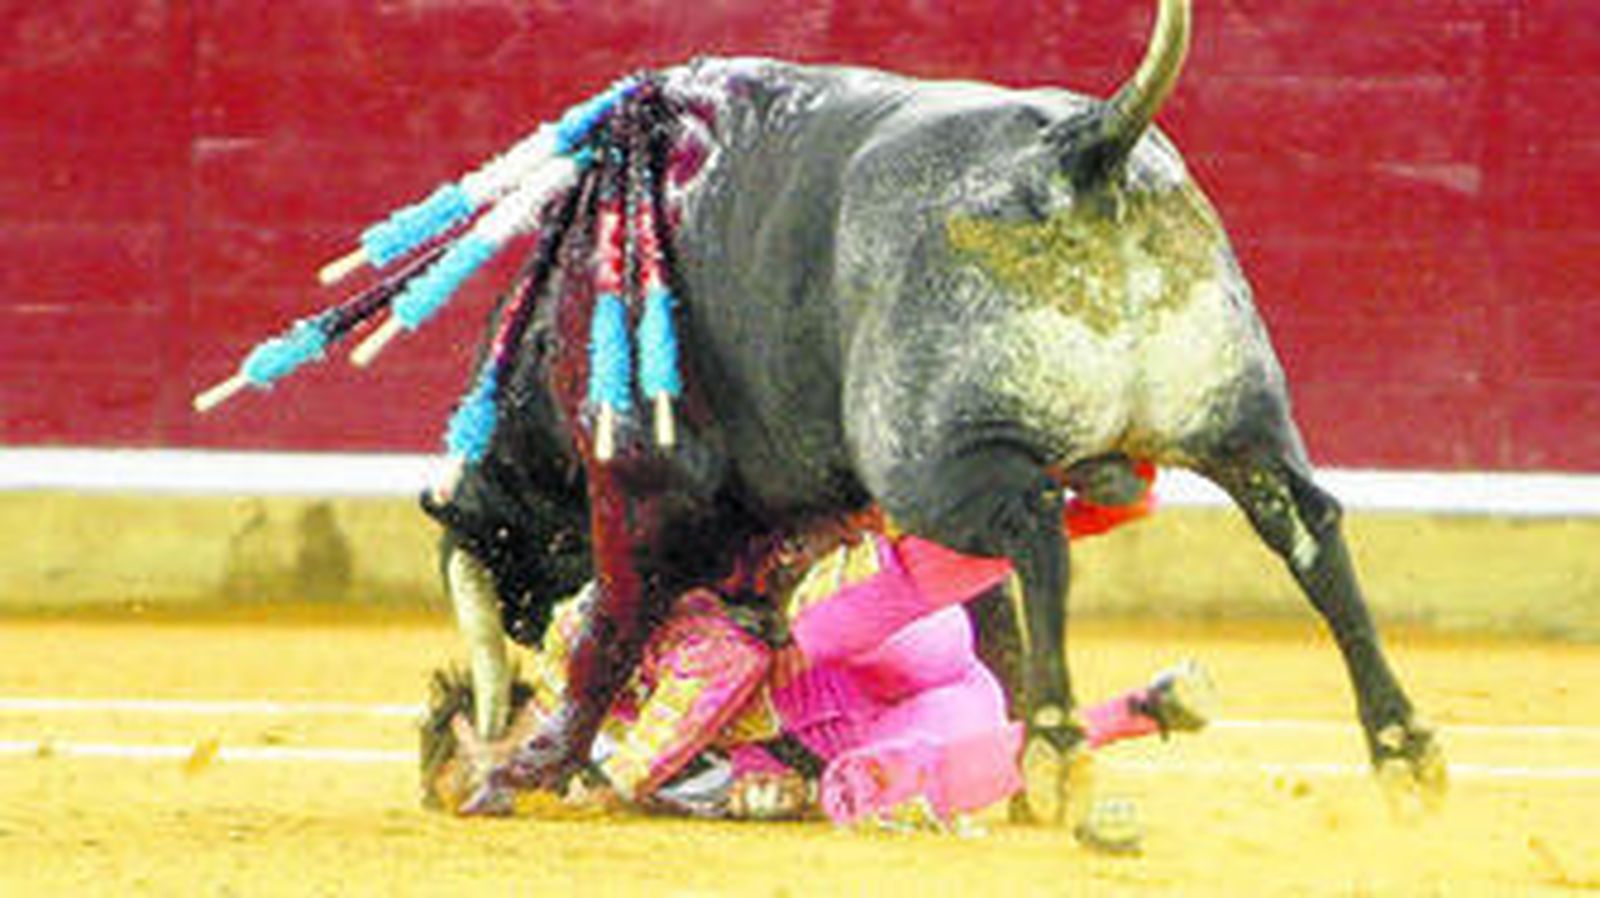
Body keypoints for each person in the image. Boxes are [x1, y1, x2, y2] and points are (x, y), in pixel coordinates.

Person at [424, 461, 1214, 831]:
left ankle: (1072, 504)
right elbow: (752, 786)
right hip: (904, 710)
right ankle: (1137, 712)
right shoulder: (614, 779)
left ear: (490, 725)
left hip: (857, 640)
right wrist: (768, 801)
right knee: (871, 790)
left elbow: (726, 656)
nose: (499, 795)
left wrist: (621, 781)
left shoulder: (576, 647)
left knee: (823, 624)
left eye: (476, 777)